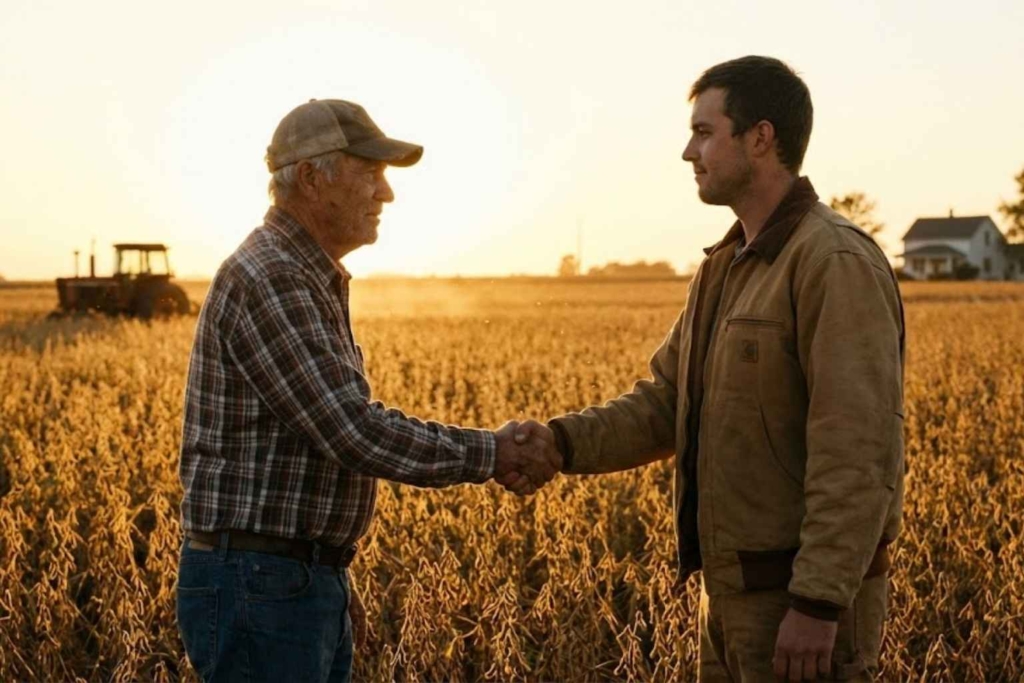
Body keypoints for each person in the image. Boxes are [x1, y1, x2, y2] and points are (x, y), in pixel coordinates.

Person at [507, 56, 905, 682]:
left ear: (760, 138)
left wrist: (819, 601)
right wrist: (559, 442)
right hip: (727, 600)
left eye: (703, 131)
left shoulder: (833, 260)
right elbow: (667, 402)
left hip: (798, 611)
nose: (688, 151)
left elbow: (857, 448)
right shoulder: (723, 266)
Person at [176, 98, 559, 683]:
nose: (386, 194)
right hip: (263, 584)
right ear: (310, 178)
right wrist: (495, 452)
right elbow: (350, 431)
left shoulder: (304, 272)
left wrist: (324, 573)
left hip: (283, 580)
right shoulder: (274, 276)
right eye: (370, 173)